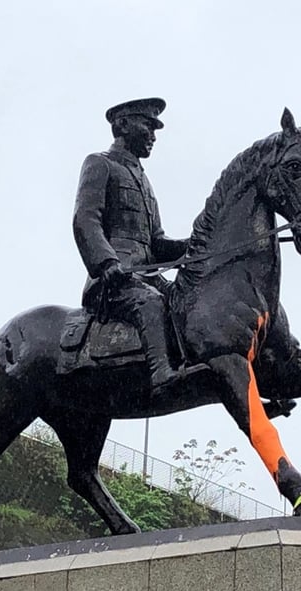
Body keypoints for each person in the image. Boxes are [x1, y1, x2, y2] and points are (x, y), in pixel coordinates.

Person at [72, 97, 206, 397]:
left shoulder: (145, 183)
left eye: (155, 128)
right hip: (113, 281)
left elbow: (157, 242)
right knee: (151, 303)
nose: (153, 135)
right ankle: (161, 375)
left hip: (145, 277)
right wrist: (106, 263)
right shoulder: (100, 163)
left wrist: (197, 245)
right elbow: (86, 219)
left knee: (188, 302)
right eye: (148, 125)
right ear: (122, 125)